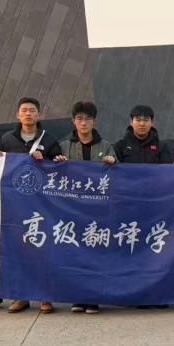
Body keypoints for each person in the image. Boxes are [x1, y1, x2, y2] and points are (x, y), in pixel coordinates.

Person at [0, 97, 62, 314]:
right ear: (18, 115)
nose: (28, 114)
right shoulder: (7, 139)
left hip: (43, 205)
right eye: (24, 110)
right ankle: (21, 296)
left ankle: (45, 297)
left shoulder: (49, 139)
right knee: (18, 250)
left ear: (39, 114)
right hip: (16, 206)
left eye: (32, 110)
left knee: (44, 250)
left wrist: (46, 160)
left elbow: (60, 169)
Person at [57, 101, 118, 315]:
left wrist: (113, 162)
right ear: (73, 121)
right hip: (72, 210)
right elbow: (53, 174)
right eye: (79, 119)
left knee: (95, 254)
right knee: (75, 254)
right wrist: (57, 162)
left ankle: (93, 298)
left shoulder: (106, 146)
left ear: (95, 121)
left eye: (88, 119)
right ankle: (78, 297)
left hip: (97, 211)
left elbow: (118, 175)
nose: (83, 123)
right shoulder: (64, 146)